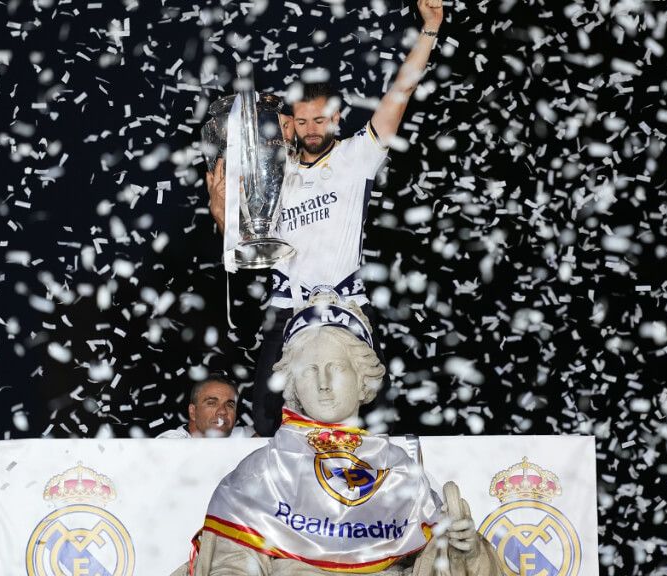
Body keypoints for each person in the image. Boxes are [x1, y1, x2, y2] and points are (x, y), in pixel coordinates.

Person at [206, 0, 445, 436]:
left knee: (371, 419)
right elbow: (249, 248)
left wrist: (429, 30)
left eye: (320, 118)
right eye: (302, 121)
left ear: (336, 117)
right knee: (266, 419)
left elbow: (401, 92)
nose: (312, 128)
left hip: (345, 303)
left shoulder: (357, 157)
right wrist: (222, 216)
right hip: (286, 307)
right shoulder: (274, 172)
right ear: (291, 124)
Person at [174, 290, 501, 575]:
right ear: (294, 385)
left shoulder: (400, 470)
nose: (323, 384)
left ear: (363, 380)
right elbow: (231, 566)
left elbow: (432, 566)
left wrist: (466, 553)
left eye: (337, 368)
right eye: (309, 371)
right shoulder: (263, 471)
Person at [156, 376, 255, 438]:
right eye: (211, 403)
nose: (222, 411)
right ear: (193, 412)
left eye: (229, 405)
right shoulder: (171, 442)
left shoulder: (244, 435)